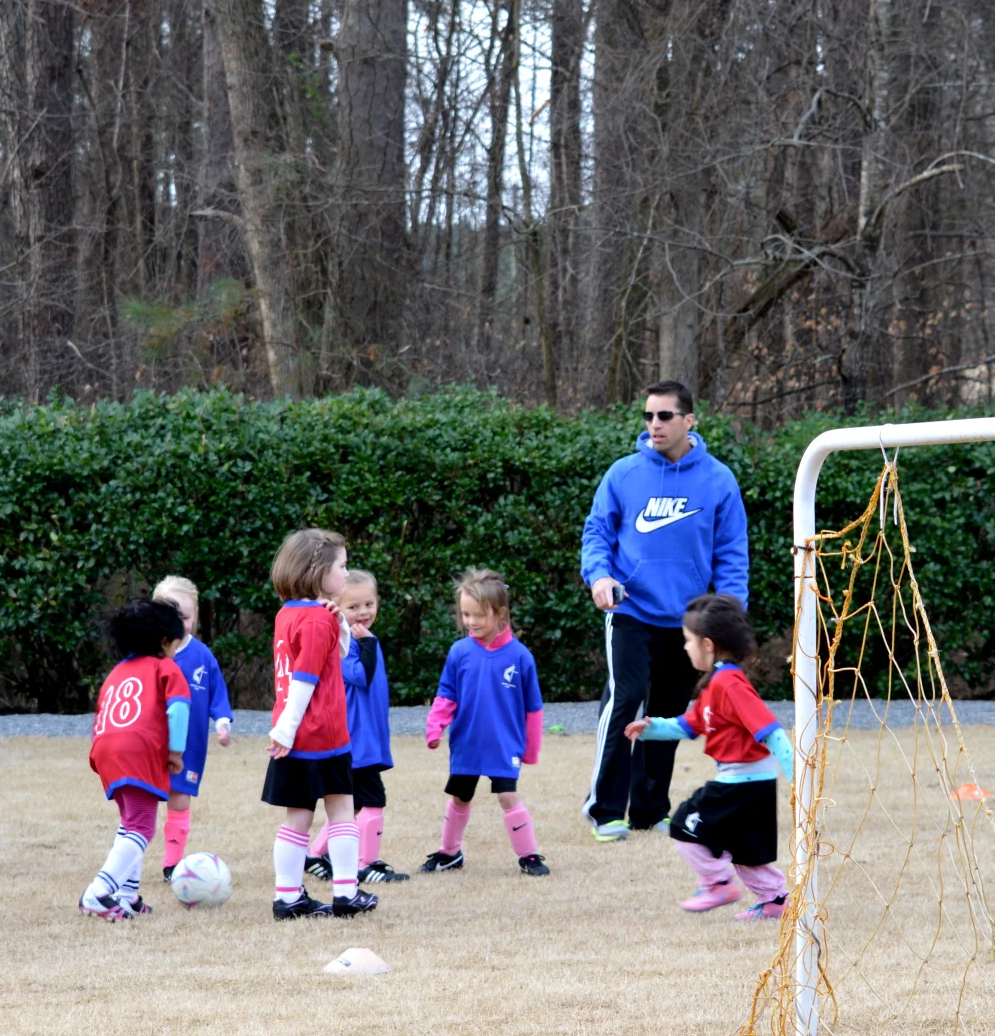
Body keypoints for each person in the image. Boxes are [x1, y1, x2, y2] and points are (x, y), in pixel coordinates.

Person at [580, 378, 750, 843]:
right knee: (626, 698)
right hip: (630, 611)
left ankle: (649, 810)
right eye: (648, 416)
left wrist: (729, 609)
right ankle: (604, 810)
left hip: (687, 620)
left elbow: (732, 551)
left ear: (689, 420)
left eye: (665, 416)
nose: (654, 424)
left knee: (668, 714)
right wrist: (600, 576)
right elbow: (597, 534)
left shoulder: (718, 479)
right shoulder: (623, 474)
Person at [625, 594, 794, 921]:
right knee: (744, 848)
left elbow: (771, 731)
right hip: (749, 782)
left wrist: (799, 779)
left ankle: (717, 884)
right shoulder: (717, 682)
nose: (685, 647)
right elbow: (691, 724)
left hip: (742, 783)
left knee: (683, 824)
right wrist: (652, 727)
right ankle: (775, 900)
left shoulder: (729, 683)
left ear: (707, 644)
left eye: (687, 640)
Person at [264, 529, 378, 919]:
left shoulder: (290, 613)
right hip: (321, 734)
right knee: (342, 810)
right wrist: (287, 728)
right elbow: (306, 677)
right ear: (317, 570)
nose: (346, 574)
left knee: (297, 816)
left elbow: (337, 652)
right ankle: (346, 893)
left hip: (294, 735)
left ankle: (287, 898)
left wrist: (339, 623)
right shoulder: (315, 619)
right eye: (341, 566)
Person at [418, 568, 549, 877]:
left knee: (507, 796)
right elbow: (446, 695)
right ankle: (449, 853)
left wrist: (531, 750)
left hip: (504, 744)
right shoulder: (459, 652)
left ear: (500, 613)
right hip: (467, 743)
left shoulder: (520, 657)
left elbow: (533, 709)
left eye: (478, 615)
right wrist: (435, 726)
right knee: (460, 797)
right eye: (465, 614)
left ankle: (529, 856)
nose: (471, 622)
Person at [79, 601, 190, 921]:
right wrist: (175, 752)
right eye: (175, 645)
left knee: (131, 822)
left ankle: (127, 895)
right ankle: (98, 892)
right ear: (163, 642)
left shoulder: (117, 672)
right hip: (137, 750)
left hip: (106, 749)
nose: (175, 653)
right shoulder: (165, 668)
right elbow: (178, 709)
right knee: (142, 827)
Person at [305, 570, 409, 884]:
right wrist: (366, 644)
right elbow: (361, 676)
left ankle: (315, 854)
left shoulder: (364, 639)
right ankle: (366, 864)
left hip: (368, 738)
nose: (363, 612)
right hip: (354, 741)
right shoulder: (343, 642)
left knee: (353, 804)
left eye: (369, 604)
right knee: (373, 799)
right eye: (353, 607)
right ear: (336, 609)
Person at [150, 576, 233, 880]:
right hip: (151, 742)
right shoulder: (148, 654)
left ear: (195, 615)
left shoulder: (202, 655)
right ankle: (129, 855)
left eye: (186, 617)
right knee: (143, 800)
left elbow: (217, 693)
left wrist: (222, 721)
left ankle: (172, 864)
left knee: (180, 796)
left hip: (190, 745)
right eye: (172, 617)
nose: (180, 624)